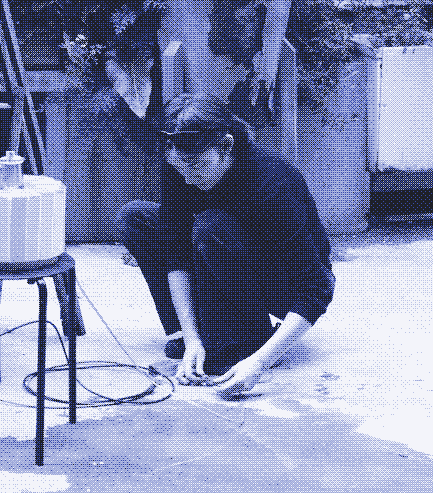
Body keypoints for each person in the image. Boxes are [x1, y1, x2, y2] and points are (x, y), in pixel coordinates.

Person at [116, 93, 335, 398]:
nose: (189, 178)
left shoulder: (273, 182)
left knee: (209, 226)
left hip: (281, 284)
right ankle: (193, 334)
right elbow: (175, 254)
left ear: (227, 147)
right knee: (136, 218)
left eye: (200, 165)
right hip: (222, 255)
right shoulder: (183, 164)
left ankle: (250, 338)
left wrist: (259, 364)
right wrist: (192, 339)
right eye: (181, 167)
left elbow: (317, 288)